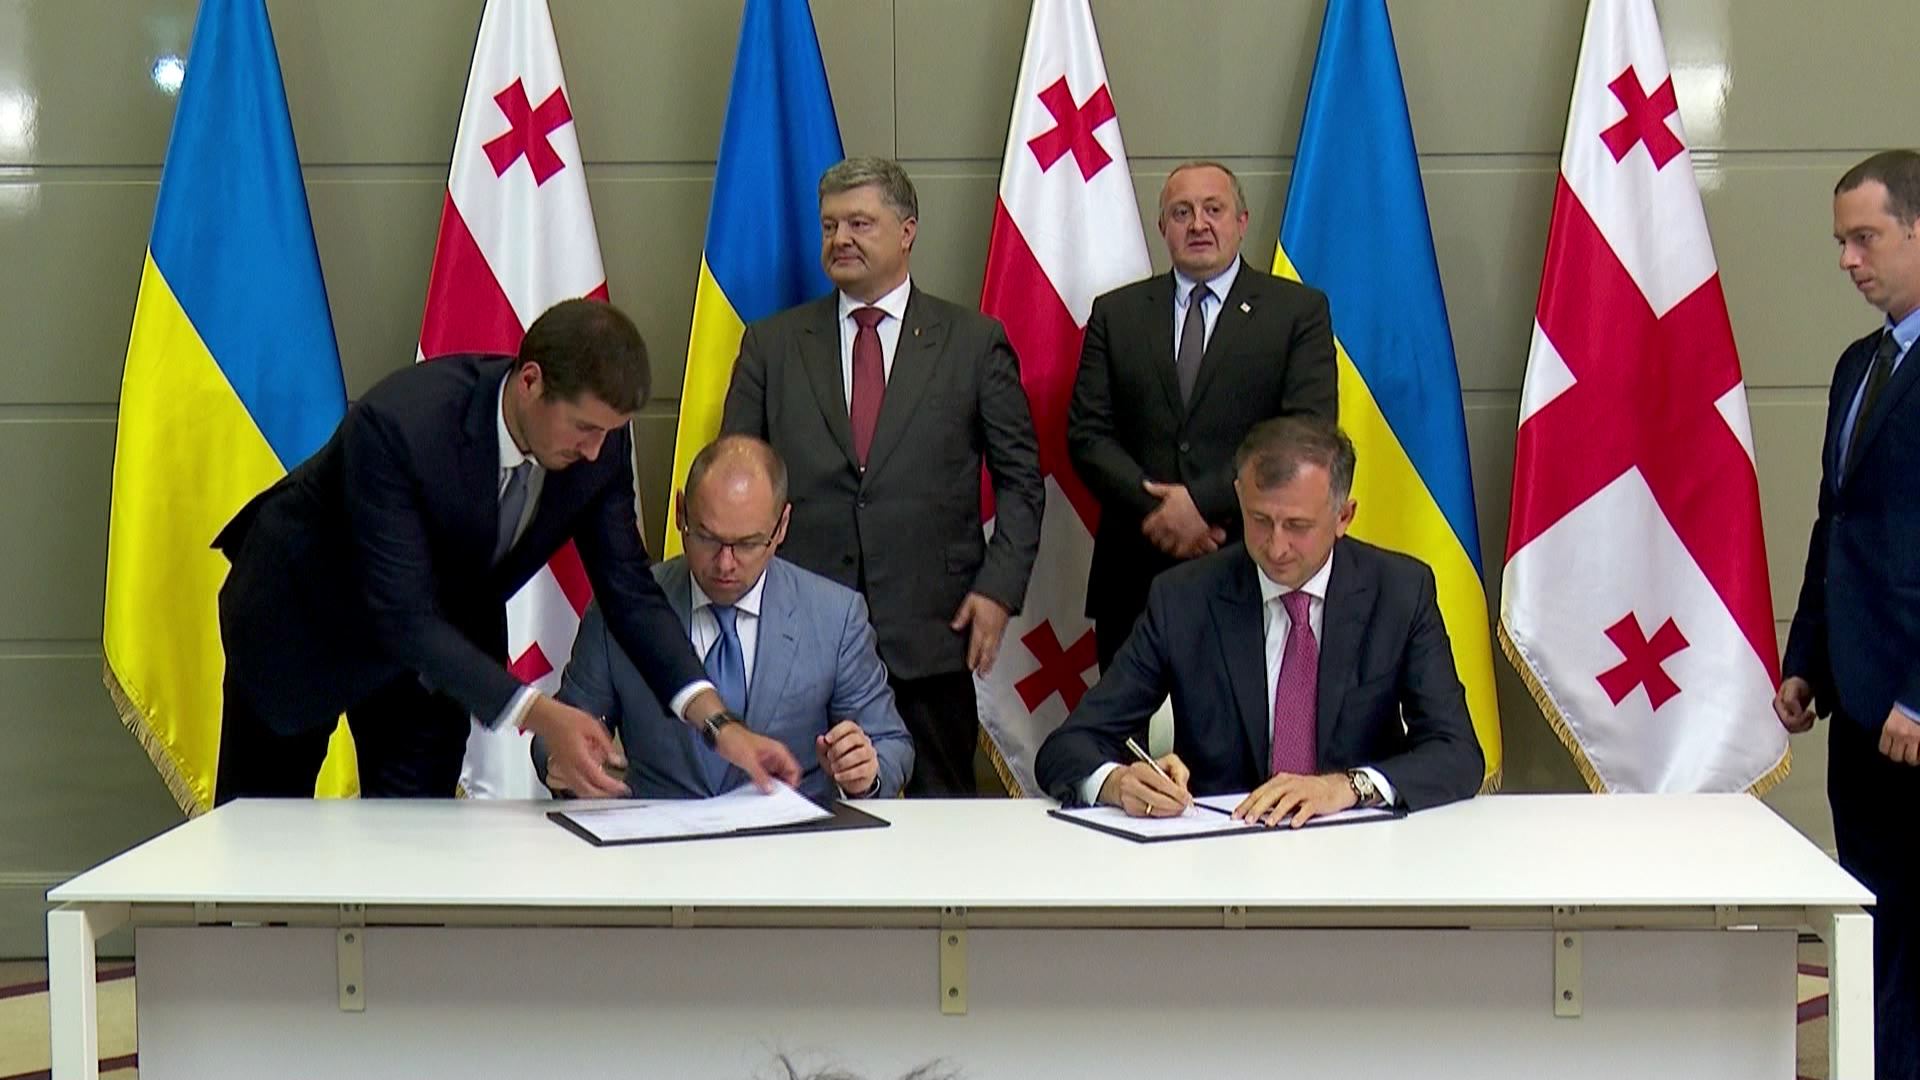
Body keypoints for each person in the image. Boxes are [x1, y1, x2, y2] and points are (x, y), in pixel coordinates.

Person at [213, 298, 799, 802]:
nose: (595, 451)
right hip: (303, 625)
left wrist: (717, 722)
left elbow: (631, 593)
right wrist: (542, 714)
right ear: (530, 382)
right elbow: (401, 614)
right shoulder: (401, 425)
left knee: (415, 846)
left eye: (609, 432)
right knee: (266, 835)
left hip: (435, 658)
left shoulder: (600, 449)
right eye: (584, 428)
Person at [722, 157, 1044, 796]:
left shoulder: (973, 342)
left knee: (941, 820)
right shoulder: (772, 344)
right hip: (800, 633)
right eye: (829, 226)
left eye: (859, 223)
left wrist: (999, 589)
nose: (840, 239)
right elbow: (737, 470)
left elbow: (1021, 481)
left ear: (907, 231)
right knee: (795, 811)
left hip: (933, 631)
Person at [1035, 417, 1481, 825]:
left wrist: (1346, 786)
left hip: (1358, 850)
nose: (1276, 546)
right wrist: (1118, 783)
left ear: (1343, 517)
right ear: (1239, 496)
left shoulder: (1399, 592)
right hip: (1220, 850)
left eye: (1298, 526)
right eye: (1260, 520)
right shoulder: (1184, 598)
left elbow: (1457, 752)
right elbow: (1066, 747)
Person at [1069, 160, 1337, 672]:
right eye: (1181, 212)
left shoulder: (1296, 312)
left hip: (1248, 564)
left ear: (1241, 221)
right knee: (1129, 722)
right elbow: (1088, 434)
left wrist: (1202, 503)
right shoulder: (1117, 313)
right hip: (1133, 576)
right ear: (1162, 227)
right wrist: (1163, 512)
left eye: (1214, 209)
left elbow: (1306, 433)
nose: (1198, 224)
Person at [538, 435, 913, 801]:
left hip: (789, 838)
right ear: (680, 512)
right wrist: (561, 761)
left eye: (747, 543)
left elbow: (891, 743)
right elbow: (559, 730)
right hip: (661, 837)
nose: (725, 563)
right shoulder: (621, 607)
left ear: (781, 526)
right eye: (707, 537)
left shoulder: (834, 616)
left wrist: (864, 772)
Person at [1777, 149, 1920, 1078]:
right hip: (1860, 707)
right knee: (1875, 923)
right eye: (1841, 241)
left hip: (1913, 707)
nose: (1847, 260)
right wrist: (1807, 662)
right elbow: (1837, 527)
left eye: (1865, 238)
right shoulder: (1857, 367)